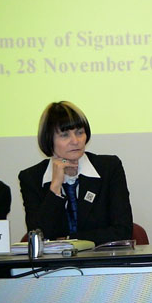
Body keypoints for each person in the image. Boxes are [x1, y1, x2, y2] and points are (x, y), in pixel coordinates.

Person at [19, 101, 133, 245]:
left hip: (101, 262)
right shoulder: (31, 178)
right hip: (54, 266)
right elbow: (38, 238)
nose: (75, 141)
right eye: (65, 135)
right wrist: (55, 188)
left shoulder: (109, 168)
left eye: (80, 133)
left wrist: (69, 241)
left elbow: (123, 231)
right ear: (48, 140)